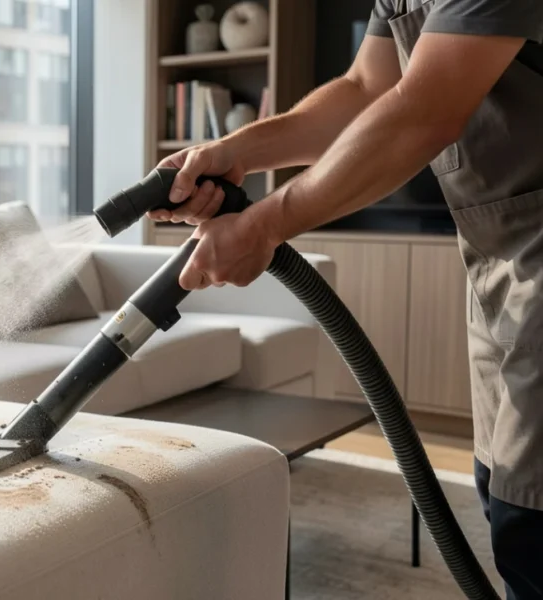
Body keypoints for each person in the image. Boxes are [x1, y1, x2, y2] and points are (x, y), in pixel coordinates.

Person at [152, 1, 543, 597]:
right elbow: (366, 90)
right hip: (496, 259)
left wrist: (263, 226)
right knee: (500, 490)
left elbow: (425, 109)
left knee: (532, 522)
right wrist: (236, 151)